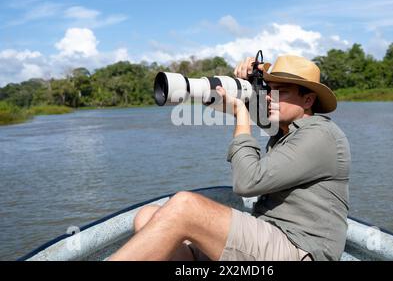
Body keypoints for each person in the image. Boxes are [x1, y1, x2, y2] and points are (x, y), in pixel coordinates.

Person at [109, 55, 351, 261]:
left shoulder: (320, 135)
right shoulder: (284, 129)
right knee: (146, 216)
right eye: (269, 90)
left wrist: (241, 117)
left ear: (308, 100)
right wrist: (244, 84)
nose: (270, 97)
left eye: (281, 92)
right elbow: (234, 103)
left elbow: (247, 183)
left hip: (299, 249)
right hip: (269, 235)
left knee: (185, 205)